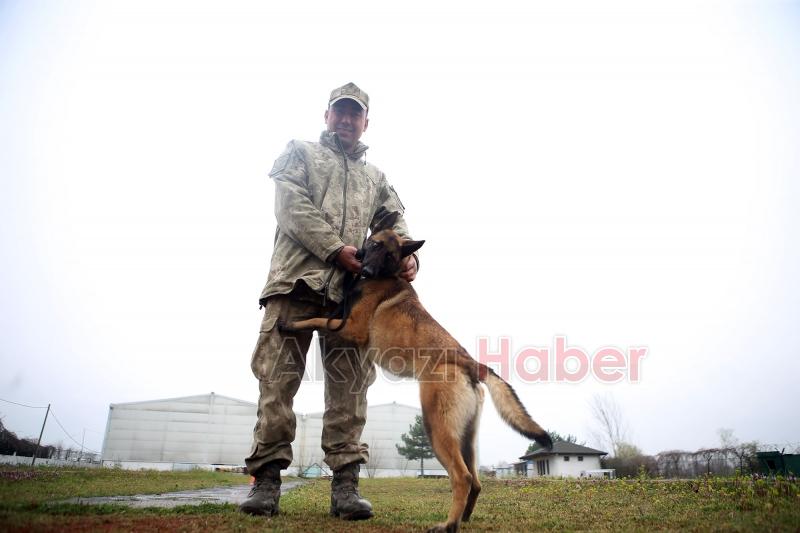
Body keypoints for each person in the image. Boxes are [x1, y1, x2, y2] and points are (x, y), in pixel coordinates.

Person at [240, 82, 418, 520]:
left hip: (350, 298)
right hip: (293, 287)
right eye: (339, 111)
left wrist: (408, 258)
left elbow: (395, 221)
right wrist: (336, 249)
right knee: (277, 383)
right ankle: (265, 484)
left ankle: (345, 488)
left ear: (365, 122)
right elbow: (291, 207)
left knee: (352, 389)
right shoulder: (299, 153)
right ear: (326, 115)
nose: (346, 119)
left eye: (354, 114)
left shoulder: (375, 177)